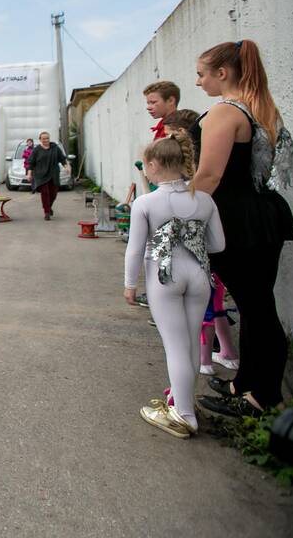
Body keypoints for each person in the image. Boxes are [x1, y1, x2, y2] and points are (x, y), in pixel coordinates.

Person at [191, 39, 293, 418]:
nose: (199, 81)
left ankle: (267, 396)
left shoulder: (224, 111)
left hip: (238, 222)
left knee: (258, 308)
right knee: (256, 305)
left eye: (202, 74)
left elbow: (209, 174)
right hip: (263, 214)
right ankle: (247, 382)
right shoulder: (261, 105)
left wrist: (182, 220)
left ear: (223, 73)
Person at [123, 134, 224, 438]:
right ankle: (183, 400)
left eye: (146, 166)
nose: (145, 171)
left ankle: (184, 414)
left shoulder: (146, 203)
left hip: (164, 276)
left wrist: (130, 284)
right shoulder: (204, 200)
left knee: (175, 346)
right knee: (192, 341)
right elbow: (218, 244)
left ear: (154, 164)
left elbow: (135, 249)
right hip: (198, 274)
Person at [28, 131, 66, 220]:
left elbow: (62, 159)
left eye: (47, 138)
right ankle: (47, 212)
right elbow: (31, 163)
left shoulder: (55, 148)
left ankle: (48, 207)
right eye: (43, 138)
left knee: (53, 194)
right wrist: (29, 173)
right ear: (40, 139)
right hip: (41, 175)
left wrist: (67, 167)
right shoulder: (36, 149)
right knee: (45, 193)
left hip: (54, 174)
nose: (46, 140)